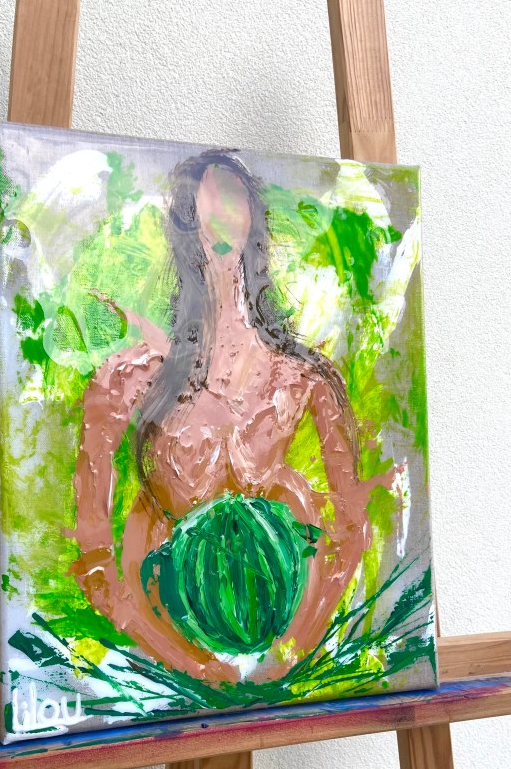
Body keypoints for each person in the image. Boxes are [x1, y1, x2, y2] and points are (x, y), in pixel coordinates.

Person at [72, 149, 393, 684]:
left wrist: (290, 653)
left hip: (284, 646)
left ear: (254, 230)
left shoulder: (303, 379)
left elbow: (351, 530)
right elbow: (96, 559)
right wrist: (189, 665)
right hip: (166, 652)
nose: (217, 236)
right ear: (183, 233)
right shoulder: (129, 379)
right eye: (203, 219)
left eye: (231, 214)